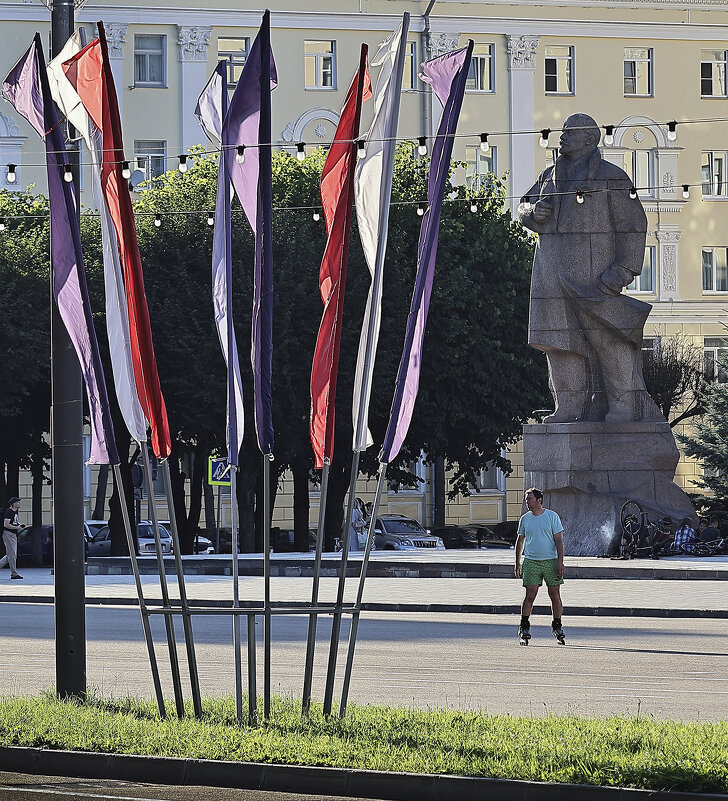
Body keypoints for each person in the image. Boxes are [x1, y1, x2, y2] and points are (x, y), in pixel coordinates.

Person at [519, 114, 659, 424]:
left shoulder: (611, 177)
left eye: (571, 132)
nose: (563, 136)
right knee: (559, 342)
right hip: (551, 275)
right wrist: (533, 212)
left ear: (590, 140)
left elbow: (634, 226)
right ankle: (568, 407)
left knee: (608, 339)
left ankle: (624, 405)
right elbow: (524, 205)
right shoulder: (549, 176)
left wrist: (622, 272)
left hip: (596, 277)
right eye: (564, 131)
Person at [514, 488, 566, 644]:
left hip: (551, 560)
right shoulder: (525, 519)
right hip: (531, 561)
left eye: (529, 499)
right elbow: (520, 541)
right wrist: (517, 562)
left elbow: (559, 541)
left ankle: (557, 626)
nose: (527, 502)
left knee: (554, 594)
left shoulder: (552, 516)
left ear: (539, 500)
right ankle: (524, 626)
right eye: (526, 499)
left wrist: (560, 562)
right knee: (531, 594)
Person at [0, 497, 24, 579]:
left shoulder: (15, 512)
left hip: (13, 534)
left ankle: (14, 573)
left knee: (10, 555)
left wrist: (20, 526)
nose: (20, 503)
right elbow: (6, 525)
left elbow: (14, 522)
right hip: (8, 534)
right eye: (18, 502)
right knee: (12, 555)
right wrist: (17, 527)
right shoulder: (9, 512)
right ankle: (14, 574)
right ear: (14, 504)